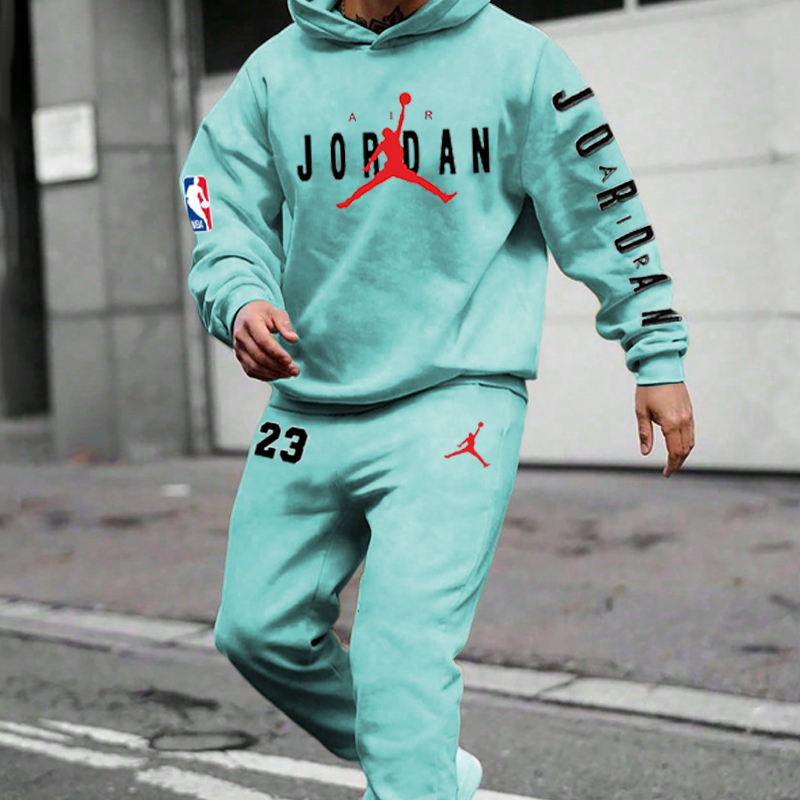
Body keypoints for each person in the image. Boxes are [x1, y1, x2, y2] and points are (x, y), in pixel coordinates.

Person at [179, 1, 696, 799]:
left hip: (458, 397)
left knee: (402, 663)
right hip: (308, 400)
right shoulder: (275, 72)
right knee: (258, 631)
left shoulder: (519, 61)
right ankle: (422, 768)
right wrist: (239, 296)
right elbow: (211, 198)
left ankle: (410, 770)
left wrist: (655, 353)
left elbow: (606, 209)